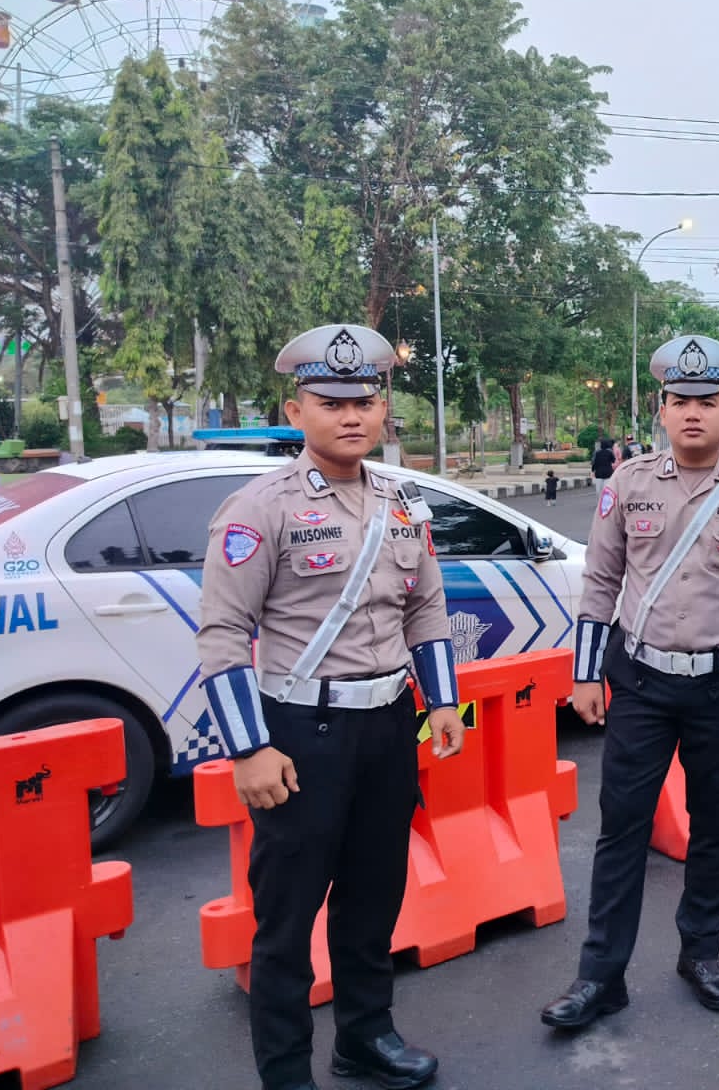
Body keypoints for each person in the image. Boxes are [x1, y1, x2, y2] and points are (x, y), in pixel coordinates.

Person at [197, 324, 465, 1090]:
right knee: (286, 918)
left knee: (374, 895)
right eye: (331, 402)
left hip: (388, 725)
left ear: (382, 409)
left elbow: (426, 608)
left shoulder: (401, 501)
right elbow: (222, 633)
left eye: (364, 401)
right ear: (297, 410)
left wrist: (443, 703)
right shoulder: (260, 508)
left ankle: (365, 1037)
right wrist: (249, 748)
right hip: (300, 736)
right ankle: (286, 1073)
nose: (351, 415)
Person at [540, 334, 719, 1032]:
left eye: (707, 402)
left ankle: (702, 953)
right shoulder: (626, 484)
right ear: (661, 409)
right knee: (621, 826)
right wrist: (585, 674)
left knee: (715, 824)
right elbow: (600, 583)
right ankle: (600, 976)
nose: (693, 413)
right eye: (680, 401)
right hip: (642, 683)